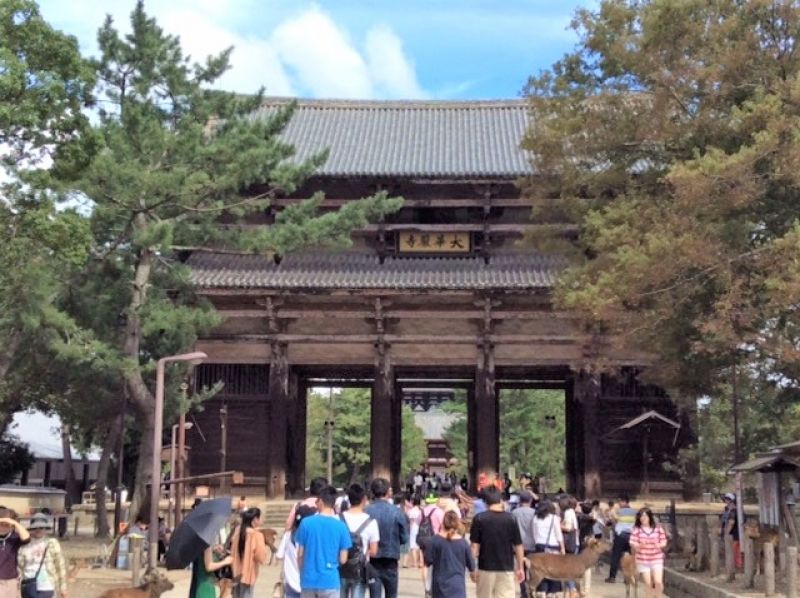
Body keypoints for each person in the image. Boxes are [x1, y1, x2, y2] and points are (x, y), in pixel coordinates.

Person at [296, 485, 352, 597]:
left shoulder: (306, 523)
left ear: (320, 501)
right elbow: (343, 559)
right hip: (330, 579)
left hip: (309, 578)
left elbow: (300, 553)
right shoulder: (341, 526)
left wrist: (302, 571)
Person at [469, 486, 525, 598]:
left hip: (485, 568)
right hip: (506, 568)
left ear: (485, 502)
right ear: (500, 500)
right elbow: (518, 545)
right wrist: (520, 567)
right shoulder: (511, 519)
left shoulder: (479, 519)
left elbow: (474, 547)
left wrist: (472, 568)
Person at [365, 478, 408, 598]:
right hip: (391, 559)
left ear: (372, 492)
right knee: (392, 594)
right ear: (388, 492)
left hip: (373, 559)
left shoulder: (366, 511)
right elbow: (404, 538)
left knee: (374, 594)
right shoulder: (397, 512)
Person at [424, 511, 476, 598]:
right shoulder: (463, 543)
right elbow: (471, 566)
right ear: (457, 524)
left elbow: (428, 561)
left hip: (439, 585)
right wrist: (474, 577)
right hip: (457, 586)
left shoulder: (434, 540)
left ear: (443, 523)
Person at [340, 484, 379, 598]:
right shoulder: (371, 522)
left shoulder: (338, 519)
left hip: (340, 568)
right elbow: (374, 551)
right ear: (364, 499)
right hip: (360, 569)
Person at [17, 513, 64, 598]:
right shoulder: (25, 544)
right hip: (29, 584)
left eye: (41, 528)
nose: (38, 530)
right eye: (35, 528)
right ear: (31, 529)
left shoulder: (52, 543)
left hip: (47, 585)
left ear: (45, 528)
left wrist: (63, 587)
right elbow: (20, 567)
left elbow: (60, 566)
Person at [276, 505, 318, 598]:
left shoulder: (288, 535)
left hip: (290, 580)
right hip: (309, 581)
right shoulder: (313, 537)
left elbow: (279, 555)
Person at [629, 507, 667, 598]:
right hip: (643, 560)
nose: (643, 518)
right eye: (641, 516)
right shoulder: (636, 530)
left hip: (656, 558)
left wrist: (659, 545)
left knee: (658, 582)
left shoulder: (658, 529)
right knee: (648, 583)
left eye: (645, 516)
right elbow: (632, 543)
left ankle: (658, 596)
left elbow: (664, 541)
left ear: (650, 517)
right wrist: (640, 545)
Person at [231, 507, 268, 598]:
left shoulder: (237, 531)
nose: (261, 520)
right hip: (248, 574)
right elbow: (261, 557)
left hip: (235, 572)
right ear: (255, 519)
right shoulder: (257, 535)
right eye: (260, 518)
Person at [532, 499, 564, 598]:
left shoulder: (535, 519)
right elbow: (559, 535)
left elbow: (534, 534)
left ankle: (542, 590)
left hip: (539, 547)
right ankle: (552, 592)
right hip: (552, 547)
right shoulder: (554, 518)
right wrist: (562, 548)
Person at [0, 507, 30, 598]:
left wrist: (14, 522)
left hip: (11, 580)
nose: (3, 527)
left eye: (6, 524)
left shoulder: (14, 537)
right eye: (1, 524)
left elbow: (27, 538)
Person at [606, 494, 636, 583]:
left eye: (620, 501)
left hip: (620, 536)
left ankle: (612, 577)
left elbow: (613, 521)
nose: (618, 503)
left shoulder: (619, 512)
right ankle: (629, 577)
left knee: (616, 556)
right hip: (631, 536)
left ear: (624, 502)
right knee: (630, 557)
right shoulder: (634, 512)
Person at [512, 491, 537, 598]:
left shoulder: (514, 512)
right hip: (532, 544)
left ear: (519, 501)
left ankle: (523, 592)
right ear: (530, 501)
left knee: (520, 568)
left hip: (518, 545)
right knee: (532, 569)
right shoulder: (535, 512)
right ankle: (531, 590)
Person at [559, 496, 579, 598]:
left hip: (569, 544)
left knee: (568, 569)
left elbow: (568, 528)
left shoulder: (567, 512)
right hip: (574, 542)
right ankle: (572, 590)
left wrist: (557, 525)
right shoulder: (571, 512)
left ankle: (572, 590)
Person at [721, 493, 742, 568]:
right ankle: (736, 565)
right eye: (725, 499)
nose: (726, 501)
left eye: (728, 499)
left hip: (733, 534)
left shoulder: (734, 511)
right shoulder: (727, 509)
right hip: (732, 533)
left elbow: (731, 522)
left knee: (733, 550)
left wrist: (726, 533)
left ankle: (735, 566)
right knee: (735, 551)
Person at [403, 496, 422, 569]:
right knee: (419, 546)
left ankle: (415, 563)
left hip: (413, 528)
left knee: (413, 546)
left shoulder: (411, 511)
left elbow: (410, 522)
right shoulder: (421, 510)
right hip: (420, 528)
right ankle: (420, 562)